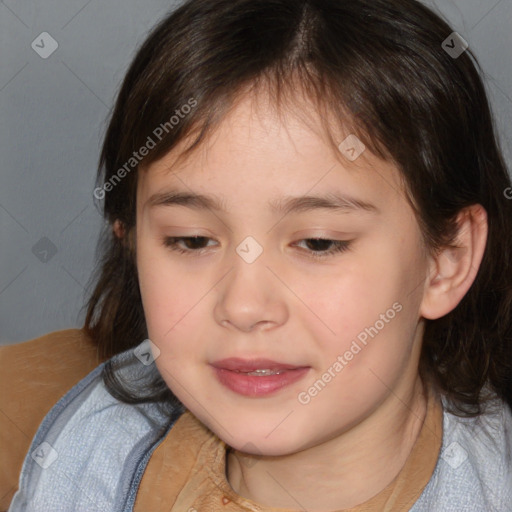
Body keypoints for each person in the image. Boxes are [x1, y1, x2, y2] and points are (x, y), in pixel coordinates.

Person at [8, 0, 512, 510]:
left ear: (447, 259)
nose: (244, 306)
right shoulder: (48, 429)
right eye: (192, 240)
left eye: (318, 243)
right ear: (131, 241)